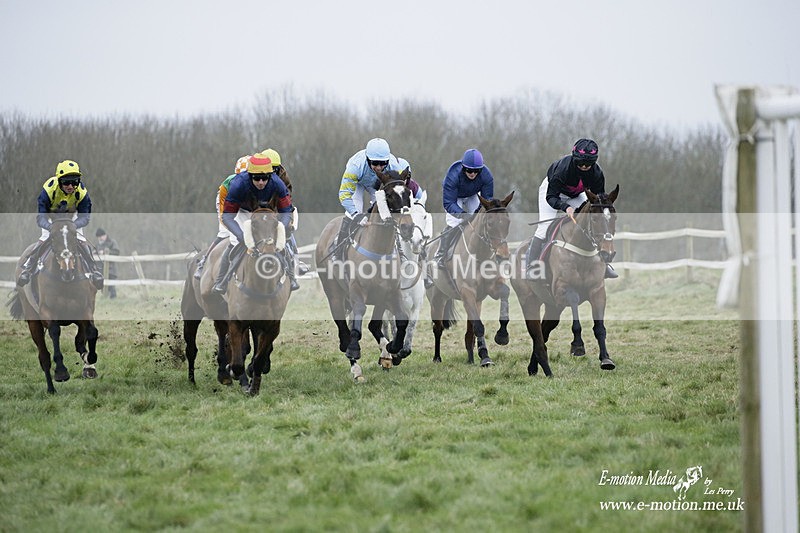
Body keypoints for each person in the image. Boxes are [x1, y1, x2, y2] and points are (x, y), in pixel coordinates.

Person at [529, 138, 618, 279]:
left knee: (591, 221)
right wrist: (566, 207)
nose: (583, 166)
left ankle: (604, 264)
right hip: (552, 192)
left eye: (588, 164)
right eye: (580, 163)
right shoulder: (562, 170)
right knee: (544, 226)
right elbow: (551, 197)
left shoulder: (597, 174)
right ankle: (532, 266)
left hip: (576, 195)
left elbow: (598, 202)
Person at [212, 152, 296, 294]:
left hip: (265, 210)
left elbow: (287, 211)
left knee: (279, 241)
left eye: (265, 178)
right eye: (257, 178)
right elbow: (227, 217)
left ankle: (291, 277)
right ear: (250, 176)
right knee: (234, 241)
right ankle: (222, 280)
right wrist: (241, 235)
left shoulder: (277, 183)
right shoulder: (238, 184)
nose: (261, 182)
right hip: (242, 210)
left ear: (270, 176)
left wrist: (280, 228)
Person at [17, 159, 104, 289]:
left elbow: (85, 217)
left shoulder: (82, 192)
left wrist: (73, 225)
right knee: (44, 238)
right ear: (59, 181)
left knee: (81, 239)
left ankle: (94, 270)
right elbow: (41, 219)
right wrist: (51, 227)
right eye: (66, 182)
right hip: (51, 218)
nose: (71, 186)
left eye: (74, 182)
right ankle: (28, 270)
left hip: (72, 219)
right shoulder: (48, 190)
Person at [333, 138, 405, 260]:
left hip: (377, 185)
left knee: (386, 213)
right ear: (367, 159)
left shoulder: (394, 166)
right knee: (356, 210)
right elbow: (344, 194)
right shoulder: (355, 167)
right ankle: (339, 251)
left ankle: (399, 250)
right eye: (375, 163)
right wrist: (356, 215)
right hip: (358, 183)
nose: (379, 167)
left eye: (382, 164)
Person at [433, 148, 494, 269]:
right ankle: (441, 254)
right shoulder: (453, 176)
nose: (472, 174)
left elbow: (487, 201)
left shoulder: (487, 176)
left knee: (479, 220)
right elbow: (449, 203)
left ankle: (487, 252)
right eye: (469, 170)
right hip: (455, 198)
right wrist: (462, 214)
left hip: (472, 195)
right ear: (463, 167)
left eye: (476, 171)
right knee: (454, 222)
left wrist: (477, 213)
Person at [194, 155, 250, 280]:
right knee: (226, 232)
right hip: (228, 203)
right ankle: (204, 262)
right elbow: (224, 217)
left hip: (246, 206)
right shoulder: (228, 186)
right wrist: (232, 229)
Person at [261, 148, 309, 277]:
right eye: (269, 168)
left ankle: (296, 261)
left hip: (279, 208)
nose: (272, 172)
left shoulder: (282, 175)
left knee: (288, 229)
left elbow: (287, 195)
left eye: (274, 168)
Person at [95, 228, 120, 298]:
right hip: (100, 269)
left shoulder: (112, 242)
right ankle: (105, 299)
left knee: (111, 287)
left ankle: (113, 300)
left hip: (110, 269)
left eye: (101, 236)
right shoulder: (97, 245)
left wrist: (106, 252)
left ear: (105, 235)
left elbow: (116, 252)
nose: (100, 238)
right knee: (103, 287)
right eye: (98, 237)